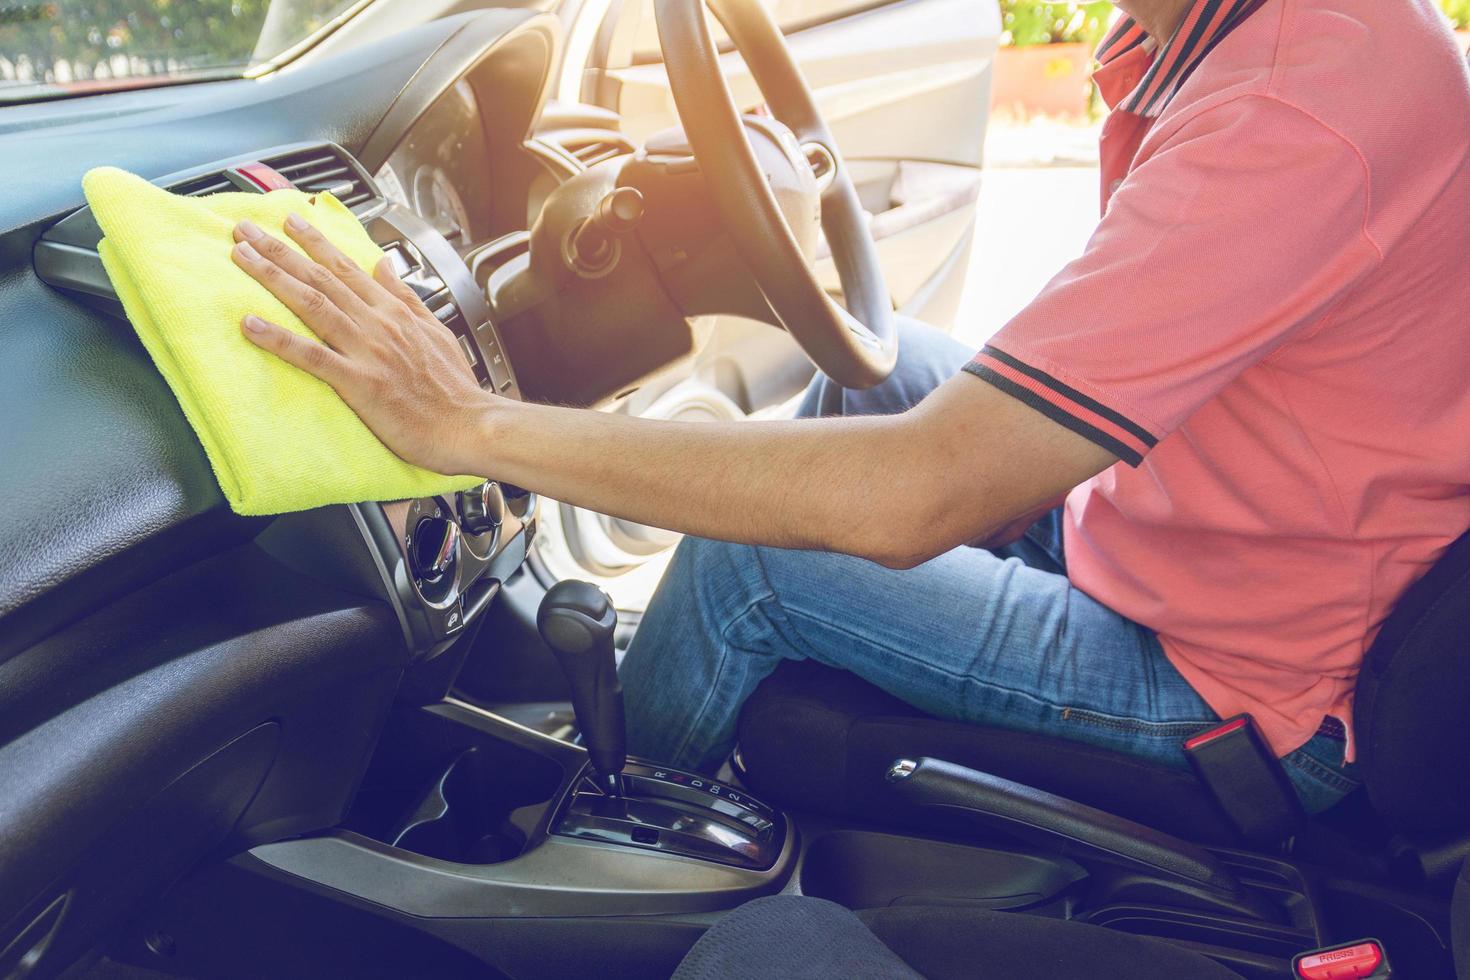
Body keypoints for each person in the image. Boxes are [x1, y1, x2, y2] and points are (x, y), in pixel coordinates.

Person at [226, 0, 1470, 813]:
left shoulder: (1301, 104)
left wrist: (473, 427)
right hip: (1208, 541)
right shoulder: (1259, 41)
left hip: (1254, 691)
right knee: (876, 371)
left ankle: (593, 838)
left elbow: (922, 490)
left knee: (747, 562)